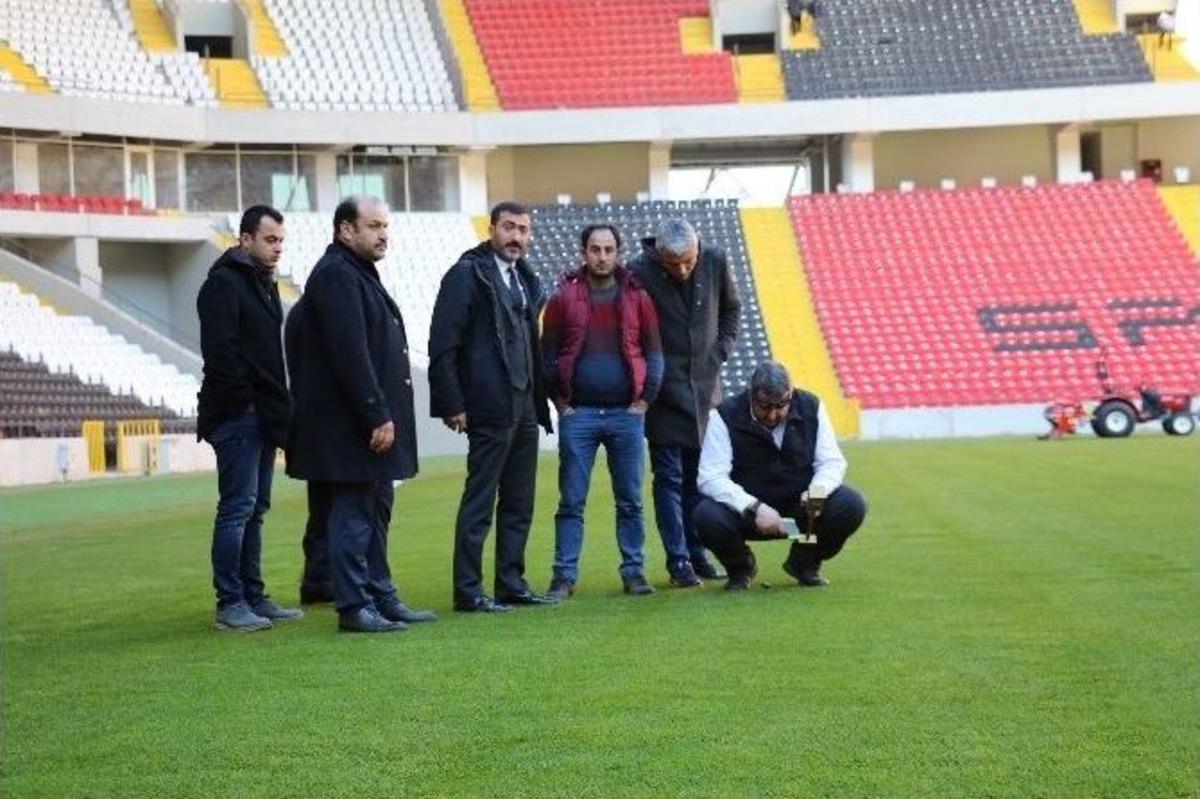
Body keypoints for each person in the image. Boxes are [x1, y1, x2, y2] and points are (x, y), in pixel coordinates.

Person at [286, 196, 435, 633]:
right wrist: (375, 413)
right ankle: (354, 606)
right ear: (345, 230)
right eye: (373, 226)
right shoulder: (336, 275)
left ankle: (379, 593)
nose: (383, 233)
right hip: (353, 426)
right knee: (353, 513)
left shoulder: (354, 273)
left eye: (385, 225)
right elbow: (349, 353)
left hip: (361, 423)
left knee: (375, 509)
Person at [429, 201, 556, 613]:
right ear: (492, 229)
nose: (516, 236)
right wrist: (452, 401)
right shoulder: (467, 274)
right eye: (509, 227)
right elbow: (443, 343)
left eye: (523, 229)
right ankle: (468, 590)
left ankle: (510, 583)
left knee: (520, 502)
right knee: (480, 502)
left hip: (524, 406)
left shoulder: (524, 279)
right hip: (488, 405)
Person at [541, 224, 664, 599]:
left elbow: (655, 353)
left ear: (618, 251)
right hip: (579, 417)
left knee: (630, 500)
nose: (602, 256)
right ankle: (564, 577)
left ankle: (634, 572)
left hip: (625, 417)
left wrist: (644, 402)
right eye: (595, 249)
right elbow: (546, 356)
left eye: (609, 249)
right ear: (583, 251)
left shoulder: (638, 297)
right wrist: (561, 405)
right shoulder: (563, 297)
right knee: (571, 501)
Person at [196, 204, 302, 631]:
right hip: (238, 414)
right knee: (237, 508)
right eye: (269, 239)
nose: (277, 248)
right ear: (245, 239)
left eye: (281, 240)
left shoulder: (263, 284)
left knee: (255, 508)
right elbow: (220, 355)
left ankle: (253, 596)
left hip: (262, 414)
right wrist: (248, 403)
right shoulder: (223, 285)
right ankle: (231, 602)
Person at [630, 217, 740, 587]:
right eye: (672, 263)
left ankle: (698, 553)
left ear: (698, 250)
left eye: (687, 261)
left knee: (700, 480)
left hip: (706, 392)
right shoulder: (637, 271)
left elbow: (731, 309)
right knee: (669, 479)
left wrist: (721, 350)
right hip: (663, 393)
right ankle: (678, 562)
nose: (681, 269)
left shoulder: (715, 260)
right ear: (658, 255)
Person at [693, 361, 867, 591]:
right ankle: (740, 567)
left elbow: (831, 462)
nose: (773, 414)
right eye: (764, 407)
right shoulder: (724, 416)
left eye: (781, 406)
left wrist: (817, 492)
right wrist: (754, 507)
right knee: (706, 516)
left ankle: (805, 562)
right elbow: (711, 477)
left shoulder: (811, 407)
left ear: (791, 395)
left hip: (800, 519)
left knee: (851, 504)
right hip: (750, 518)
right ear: (750, 396)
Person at [283, 296, 333, 605]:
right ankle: (326, 577)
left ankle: (317, 577)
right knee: (339, 506)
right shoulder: (325, 311)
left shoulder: (299, 314)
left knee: (321, 506)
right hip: (329, 423)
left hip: (308, 421)